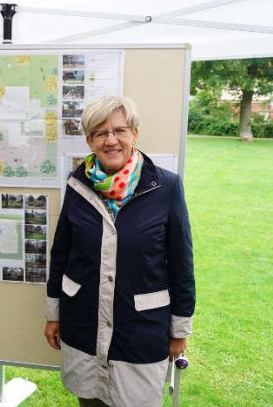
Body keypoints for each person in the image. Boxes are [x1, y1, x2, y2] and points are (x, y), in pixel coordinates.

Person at [44, 96, 195, 407]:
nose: (110, 140)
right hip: (84, 324)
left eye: (119, 131)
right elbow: (61, 254)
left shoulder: (165, 188)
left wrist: (180, 330)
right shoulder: (77, 184)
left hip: (139, 331)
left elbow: (181, 263)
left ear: (134, 135)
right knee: (90, 400)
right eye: (100, 133)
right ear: (89, 141)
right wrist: (53, 313)